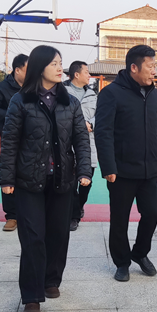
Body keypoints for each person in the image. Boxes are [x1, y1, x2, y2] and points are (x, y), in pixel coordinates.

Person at [0, 46, 92, 312]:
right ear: (40, 67)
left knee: (58, 234)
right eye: (54, 63)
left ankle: (51, 279)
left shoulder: (70, 102)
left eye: (60, 63)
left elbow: (81, 140)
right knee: (33, 237)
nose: (60, 68)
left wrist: (84, 171)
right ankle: (31, 296)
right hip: (29, 180)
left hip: (62, 180)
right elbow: (10, 142)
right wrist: (6, 178)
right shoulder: (20, 101)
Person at [95, 45, 157, 282]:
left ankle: (140, 253)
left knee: (152, 214)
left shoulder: (154, 94)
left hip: (149, 171)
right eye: (150, 66)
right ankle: (122, 262)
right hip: (121, 171)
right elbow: (103, 132)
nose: (154, 71)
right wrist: (108, 167)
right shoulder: (111, 93)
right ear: (134, 67)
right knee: (120, 220)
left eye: (155, 66)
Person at [0, 53, 28, 231]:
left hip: (35, 140)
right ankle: (11, 216)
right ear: (17, 70)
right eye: (28, 70)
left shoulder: (35, 87)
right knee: (9, 174)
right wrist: (11, 116)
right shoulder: (2, 88)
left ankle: (31, 212)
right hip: (11, 140)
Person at [64, 61, 98, 231]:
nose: (89, 75)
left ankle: (79, 206)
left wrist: (91, 124)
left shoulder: (92, 94)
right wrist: (77, 124)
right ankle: (73, 216)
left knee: (86, 182)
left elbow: (100, 114)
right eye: (86, 72)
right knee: (70, 183)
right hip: (67, 144)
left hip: (88, 143)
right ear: (76, 74)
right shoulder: (62, 92)